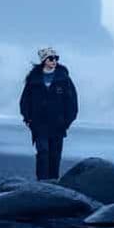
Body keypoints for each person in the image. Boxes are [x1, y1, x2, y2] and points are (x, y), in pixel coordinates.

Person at [19, 47, 78, 180]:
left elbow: (72, 102)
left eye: (56, 58)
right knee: (43, 152)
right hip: (39, 124)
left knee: (55, 155)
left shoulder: (64, 79)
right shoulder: (33, 80)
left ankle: (53, 182)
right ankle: (41, 182)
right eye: (51, 58)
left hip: (58, 124)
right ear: (44, 60)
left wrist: (67, 121)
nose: (54, 61)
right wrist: (27, 119)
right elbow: (24, 100)